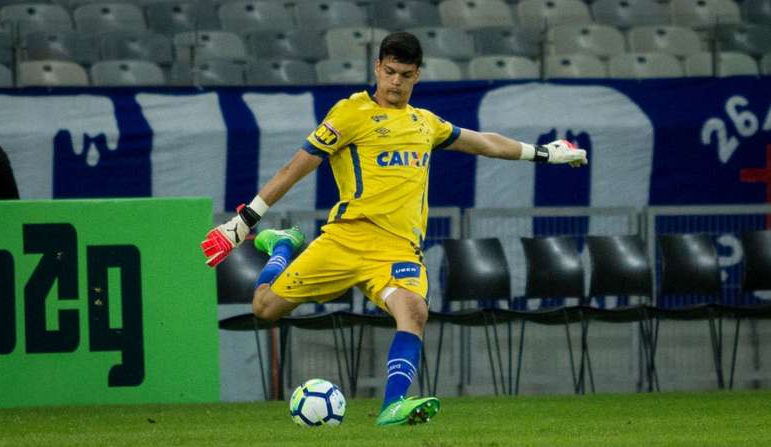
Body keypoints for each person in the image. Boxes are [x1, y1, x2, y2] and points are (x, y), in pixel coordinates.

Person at [202, 31, 588, 426]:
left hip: (397, 249)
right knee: (264, 308)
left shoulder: (426, 124)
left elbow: (485, 142)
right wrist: (245, 220)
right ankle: (283, 246)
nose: (395, 83)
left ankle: (392, 405)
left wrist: (544, 154)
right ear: (377, 68)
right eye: (389, 72)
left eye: (405, 74)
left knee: (414, 310)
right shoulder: (349, 114)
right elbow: (295, 168)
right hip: (345, 239)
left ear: (417, 75)